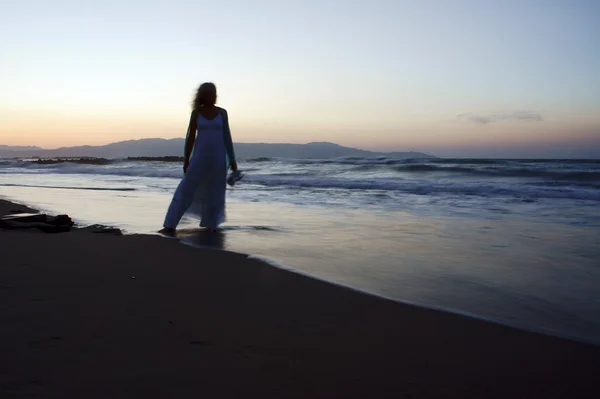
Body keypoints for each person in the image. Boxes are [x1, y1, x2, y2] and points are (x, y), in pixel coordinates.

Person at [159, 82, 237, 234]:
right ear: (203, 96)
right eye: (210, 94)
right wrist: (186, 160)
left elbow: (227, 136)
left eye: (215, 93)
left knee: (216, 192)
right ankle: (170, 224)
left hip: (218, 159)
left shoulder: (222, 113)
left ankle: (211, 225)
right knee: (186, 189)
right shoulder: (196, 113)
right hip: (200, 157)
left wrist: (232, 159)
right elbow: (190, 138)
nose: (214, 96)